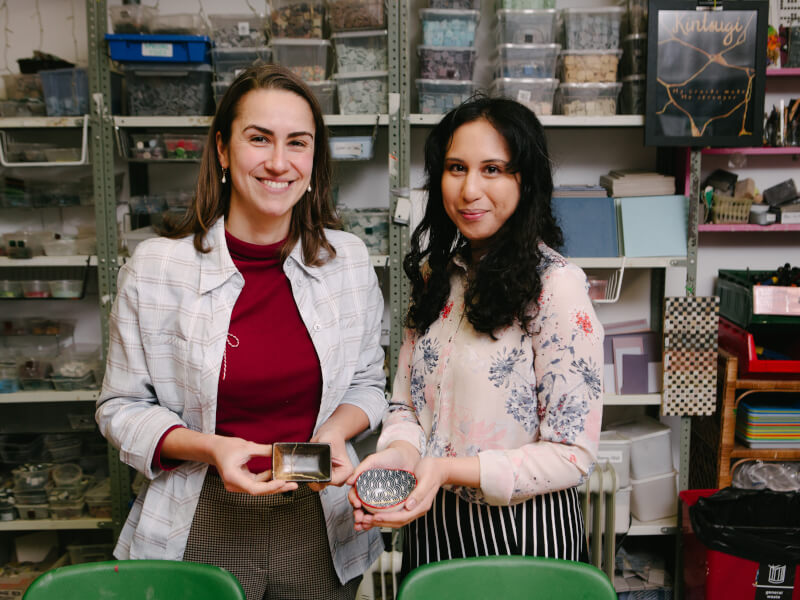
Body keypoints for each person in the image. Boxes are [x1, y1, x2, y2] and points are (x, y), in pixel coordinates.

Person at [96, 64, 386, 600]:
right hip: (199, 515)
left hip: (317, 519)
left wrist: (334, 434)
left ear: (313, 157)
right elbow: (121, 407)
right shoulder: (157, 268)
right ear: (224, 149)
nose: (279, 162)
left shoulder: (347, 260)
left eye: (297, 143)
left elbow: (368, 384)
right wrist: (211, 449)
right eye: (259, 139)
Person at [348, 96, 604, 575]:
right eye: (455, 168)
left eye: (492, 169)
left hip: (525, 536)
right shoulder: (435, 277)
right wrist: (401, 457)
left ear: (524, 180)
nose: (470, 190)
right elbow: (404, 406)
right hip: (431, 521)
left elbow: (573, 453)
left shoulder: (557, 286)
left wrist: (444, 469)